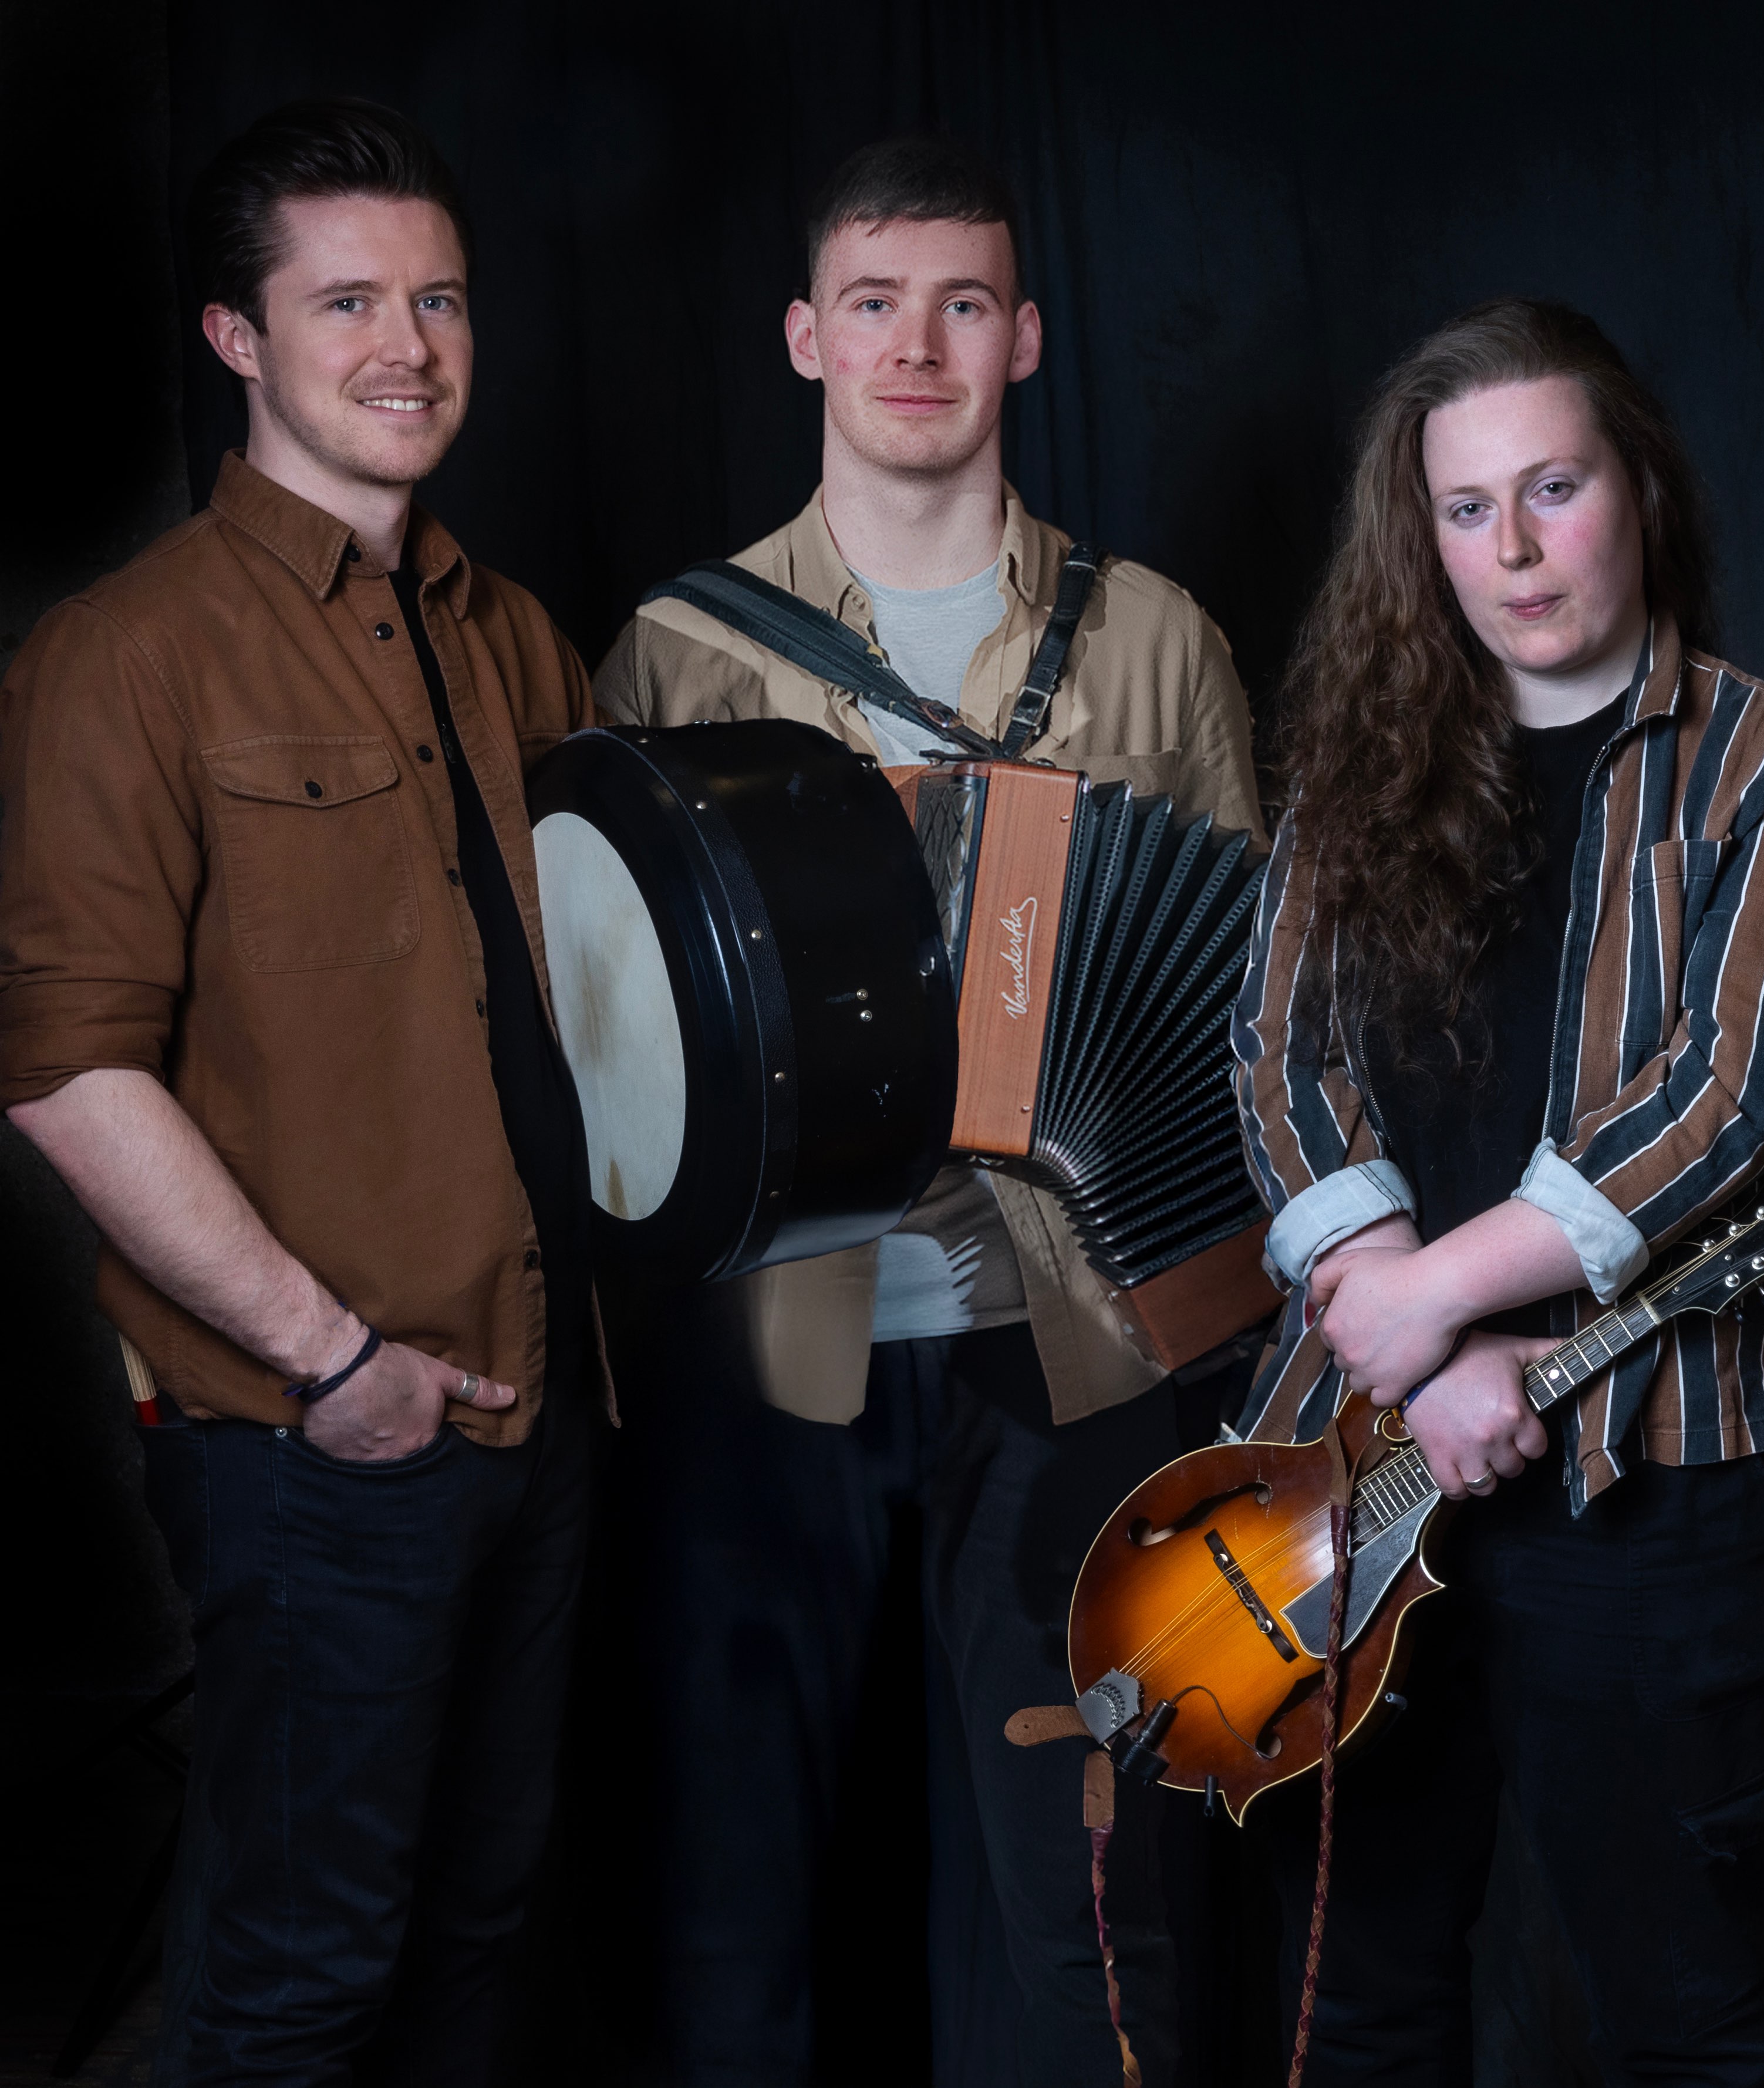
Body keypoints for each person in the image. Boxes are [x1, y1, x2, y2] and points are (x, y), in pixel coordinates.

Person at [593, 135, 1263, 2084]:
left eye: (963, 304)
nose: (917, 345)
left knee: (1086, 1901)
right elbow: (611, 1032)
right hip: (769, 1360)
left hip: (1071, 1346)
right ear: (806, 336)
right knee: (744, 1887)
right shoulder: (681, 648)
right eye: (874, 304)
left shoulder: (1156, 640)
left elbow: (1248, 987)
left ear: (1026, 339)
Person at [0, 101, 598, 2086]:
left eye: (435, 295)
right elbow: (66, 1068)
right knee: (296, 1978)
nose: (405, 342)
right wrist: (335, 1364)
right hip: (317, 1443)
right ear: (237, 339)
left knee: (487, 1936)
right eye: (346, 300)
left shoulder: (516, 641)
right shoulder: (127, 658)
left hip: (546, 1413)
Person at [1228, 297, 1764, 2084]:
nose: (1512, 549)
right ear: (1417, 537)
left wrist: (1448, 1295)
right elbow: (1277, 1054)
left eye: (1555, 488)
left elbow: (1725, 1097)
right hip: (1349, 1465)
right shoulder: (1360, 768)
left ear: (1639, 487)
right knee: (1357, 2002)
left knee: (1682, 2018)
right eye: (1466, 508)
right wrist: (1413, 1348)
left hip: (1649, 1488)